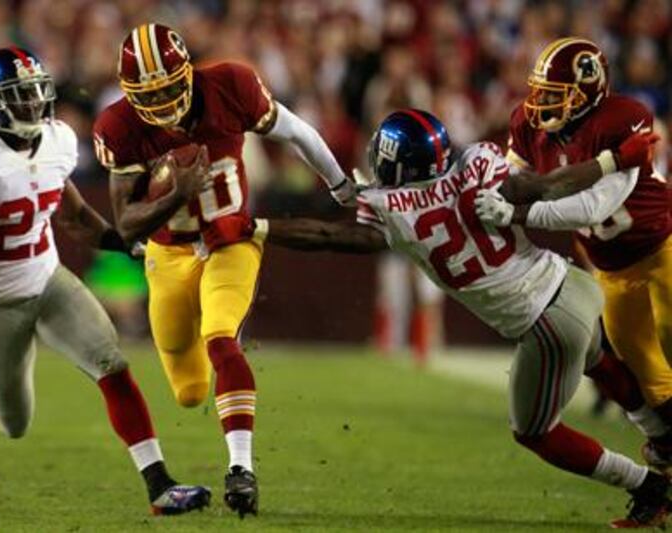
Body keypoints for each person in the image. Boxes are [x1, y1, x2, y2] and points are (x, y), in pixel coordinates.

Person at [212, 109, 669, 528]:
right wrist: (610, 163)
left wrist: (259, 227)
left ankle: (648, 485)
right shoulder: (481, 162)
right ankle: (662, 438)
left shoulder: (391, 209)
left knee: (535, 432)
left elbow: (333, 235)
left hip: (545, 321)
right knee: (600, 362)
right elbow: (546, 185)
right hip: (574, 285)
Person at [0, 47, 210, 516]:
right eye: (18, 96)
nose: (32, 105)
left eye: (35, 94)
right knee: (14, 423)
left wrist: (122, 243)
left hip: (49, 280)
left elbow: (72, 216)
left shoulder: (58, 140)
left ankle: (159, 485)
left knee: (111, 364)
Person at [92, 23, 354, 517]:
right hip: (167, 256)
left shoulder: (230, 85)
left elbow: (296, 131)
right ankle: (216, 419)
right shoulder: (119, 126)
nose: (165, 100)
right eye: (151, 93)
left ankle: (241, 469)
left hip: (232, 238)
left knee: (221, 338)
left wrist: (340, 186)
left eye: (171, 86)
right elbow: (126, 226)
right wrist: (177, 194)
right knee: (189, 391)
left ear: (188, 71)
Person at [478, 37, 672, 470]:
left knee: (671, 329)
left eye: (554, 94)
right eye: (540, 91)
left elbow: (592, 206)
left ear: (589, 92)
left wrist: (518, 212)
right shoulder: (528, 126)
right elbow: (509, 179)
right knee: (646, 371)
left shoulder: (624, 119)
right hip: (611, 267)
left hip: (661, 247)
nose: (540, 103)